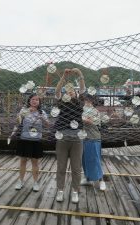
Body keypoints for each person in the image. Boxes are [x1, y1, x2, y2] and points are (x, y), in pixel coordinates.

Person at [54, 68, 86, 203]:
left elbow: (83, 89)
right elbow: (57, 91)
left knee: (76, 168)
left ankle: (75, 191)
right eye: (68, 90)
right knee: (61, 166)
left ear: (76, 93)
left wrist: (80, 74)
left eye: (72, 90)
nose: (70, 91)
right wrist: (63, 77)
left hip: (77, 139)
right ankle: (60, 190)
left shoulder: (80, 102)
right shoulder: (61, 102)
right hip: (62, 138)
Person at [14, 93, 49, 192]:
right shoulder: (24, 110)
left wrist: (41, 117)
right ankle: (20, 181)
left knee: (35, 162)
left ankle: (35, 182)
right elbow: (17, 122)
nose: (34, 101)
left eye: (37, 100)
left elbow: (47, 125)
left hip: (36, 140)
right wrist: (22, 114)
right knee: (23, 161)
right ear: (29, 101)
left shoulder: (42, 112)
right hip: (24, 139)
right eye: (33, 99)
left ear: (39, 102)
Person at [80, 95, 106, 191]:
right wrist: (84, 119)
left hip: (94, 137)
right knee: (84, 160)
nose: (87, 101)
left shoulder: (95, 111)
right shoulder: (80, 109)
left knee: (95, 159)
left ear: (92, 101)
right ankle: (87, 179)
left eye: (89, 100)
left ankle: (101, 180)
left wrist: (83, 119)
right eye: (85, 99)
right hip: (83, 137)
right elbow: (81, 120)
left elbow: (92, 121)